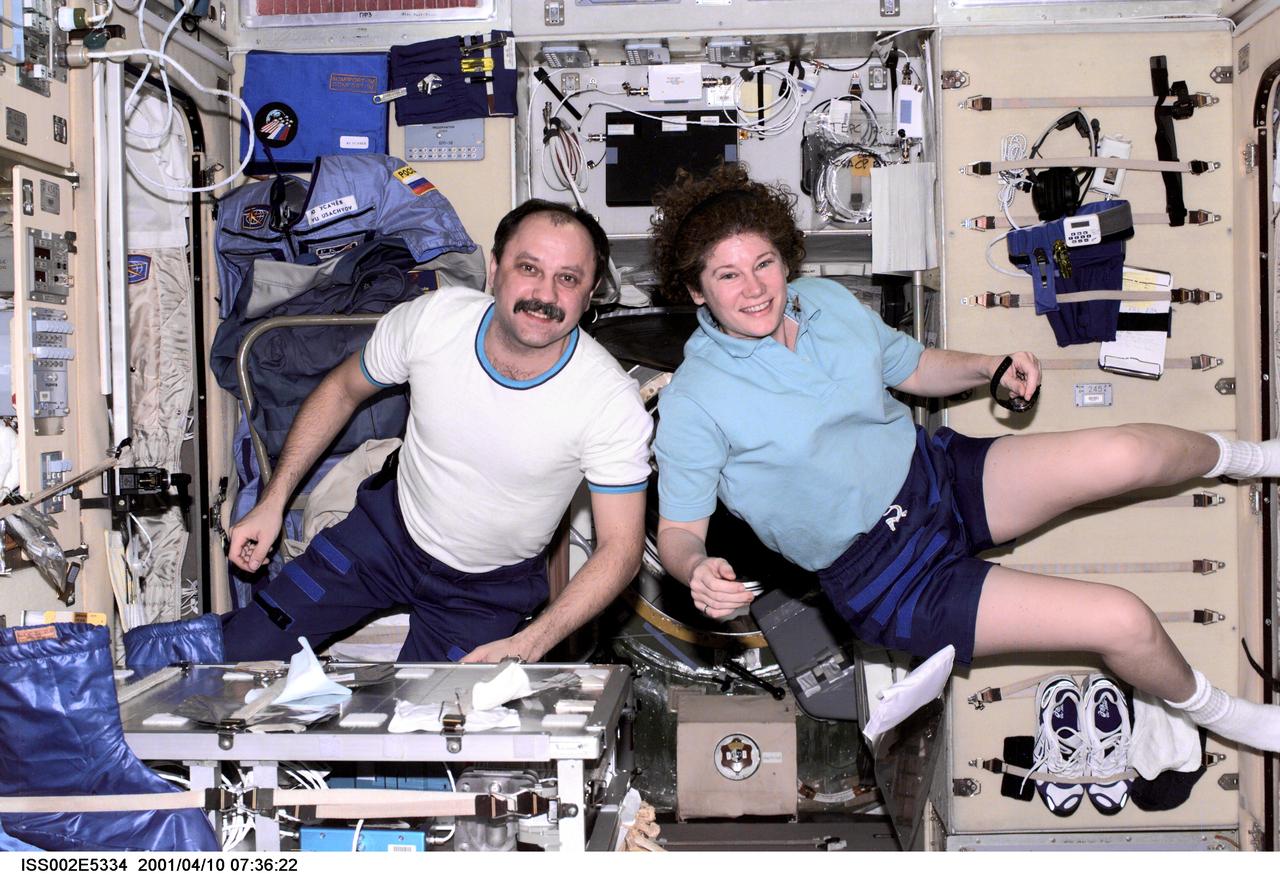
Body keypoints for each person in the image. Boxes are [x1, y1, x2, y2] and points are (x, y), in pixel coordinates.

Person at [650, 163, 1280, 771]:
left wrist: (989, 367)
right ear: (695, 290)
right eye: (727, 276)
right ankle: (1218, 712)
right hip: (888, 577)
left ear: (786, 258)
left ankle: (1257, 458)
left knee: (1129, 453)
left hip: (938, 478)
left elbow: (914, 368)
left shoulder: (823, 302)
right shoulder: (695, 398)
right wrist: (697, 569)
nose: (755, 288)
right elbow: (679, 534)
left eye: (764, 264)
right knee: (1124, 619)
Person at [151, 199, 651, 666]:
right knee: (242, 650)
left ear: (589, 295)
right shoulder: (433, 321)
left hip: (487, 591)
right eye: (529, 268)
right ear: (495, 270)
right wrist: (272, 501)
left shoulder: (608, 402)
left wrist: (531, 642)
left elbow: (621, 548)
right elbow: (342, 389)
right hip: (383, 537)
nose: (545, 294)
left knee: (423, 747)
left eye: (568, 278)